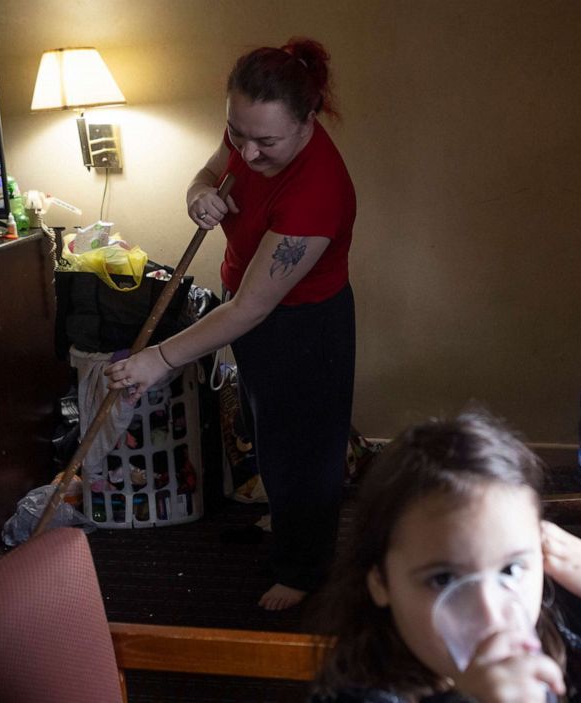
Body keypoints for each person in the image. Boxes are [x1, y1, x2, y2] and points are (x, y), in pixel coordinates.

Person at [105, 38, 356, 611]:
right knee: (267, 429)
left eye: (265, 141)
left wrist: (158, 358)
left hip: (303, 326)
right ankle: (288, 520)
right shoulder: (250, 133)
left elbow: (250, 309)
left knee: (305, 449)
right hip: (247, 304)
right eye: (236, 133)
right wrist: (198, 193)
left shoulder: (317, 191)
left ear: (307, 120)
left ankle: (305, 570)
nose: (247, 151)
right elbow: (214, 169)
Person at [310, 410, 581, 703]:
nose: (490, 612)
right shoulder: (358, 691)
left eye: (511, 568)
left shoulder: (566, 643)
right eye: (443, 579)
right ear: (381, 582)